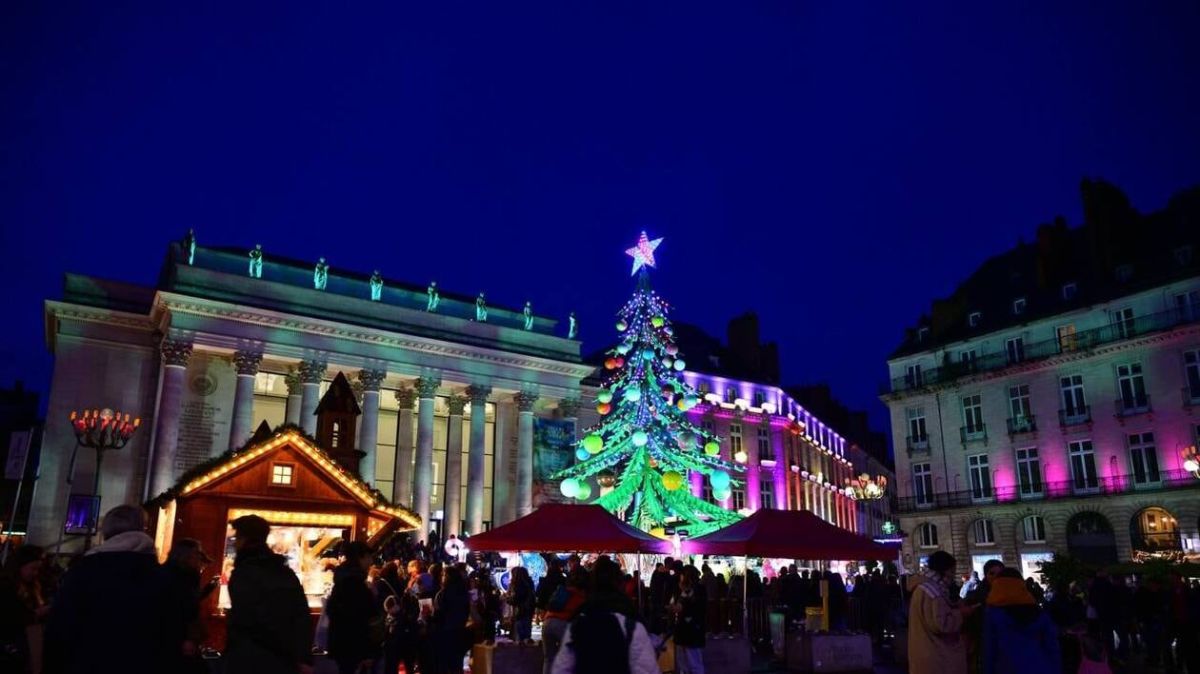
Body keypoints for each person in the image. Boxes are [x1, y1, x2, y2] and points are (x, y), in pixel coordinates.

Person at [43, 505, 165, 674]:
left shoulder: (85, 569)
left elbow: (61, 624)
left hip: (87, 661)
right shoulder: (158, 574)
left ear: (107, 531)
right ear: (143, 528)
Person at [224, 514, 314, 674]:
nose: (236, 542)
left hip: (251, 656)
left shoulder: (244, 572)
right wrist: (303, 657)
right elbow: (301, 615)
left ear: (244, 539)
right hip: (283, 657)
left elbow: (245, 617)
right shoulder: (284, 572)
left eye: (237, 537)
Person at [551, 556, 658, 674]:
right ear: (620, 584)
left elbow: (561, 668)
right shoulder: (631, 622)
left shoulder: (579, 620)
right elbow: (646, 669)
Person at [981, 569, 1059, 674]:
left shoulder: (993, 615)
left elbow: (989, 650)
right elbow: (1052, 647)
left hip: (1007, 668)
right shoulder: (1039, 613)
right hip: (1040, 666)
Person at [907, 550, 973, 674]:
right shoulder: (933, 591)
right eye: (952, 571)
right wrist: (961, 613)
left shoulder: (924, 588)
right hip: (937, 658)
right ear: (945, 570)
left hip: (925, 654)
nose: (953, 575)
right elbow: (941, 623)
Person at [160, 538, 218, 674]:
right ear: (187, 556)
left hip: (169, 636)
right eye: (196, 556)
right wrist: (189, 637)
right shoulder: (186, 577)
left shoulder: (169, 572)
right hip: (177, 636)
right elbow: (185, 606)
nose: (199, 563)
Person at [327, 541, 381, 674]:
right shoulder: (354, 583)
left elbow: (331, 610)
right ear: (360, 558)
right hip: (353, 647)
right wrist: (367, 651)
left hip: (344, 644)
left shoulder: (344, 578)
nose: (371, 561)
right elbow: (359, 619)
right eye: (369, 557)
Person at [0, 545, 48, 674]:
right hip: (9, 649)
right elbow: (12, 618)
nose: (35, 573)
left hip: (26, 647)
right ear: (19, 565)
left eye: (38, 569)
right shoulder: (6, 587)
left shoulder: (33, 586)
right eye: (33, 568)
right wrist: (40, 612)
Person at [543, 569, 589, 674]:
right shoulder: (580, 596)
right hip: (563, 623)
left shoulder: (562, 591)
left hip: (547, 622)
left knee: (549, 658)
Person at [431, 565, 471, 674]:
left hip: (445, 632)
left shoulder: (443, 593)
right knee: (457, 664)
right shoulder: (464, 593)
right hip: (459, 631)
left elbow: (439, 614)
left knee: (444, 664)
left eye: (443, 575)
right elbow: (467, 610)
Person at [672, 566, 707, 674]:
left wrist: (682, 600)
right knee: (683, 663)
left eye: (682, 575)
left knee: (694, 662)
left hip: (692, 631)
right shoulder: (681, 590)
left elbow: (696, 607)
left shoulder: (698, 589)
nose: (680, 578)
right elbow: (677, 606)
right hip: (683, 630)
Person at [508, 566, 536, 643]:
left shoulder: (519, 585)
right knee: (526, 636)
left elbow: (515, 600)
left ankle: (520, 653)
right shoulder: (529, 584)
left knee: (519, 637)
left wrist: (508, 598)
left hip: (520, 613)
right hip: (528, 612)